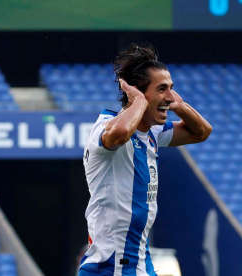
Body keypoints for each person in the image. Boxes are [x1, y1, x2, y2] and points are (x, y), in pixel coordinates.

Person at [80, 43, 212, 276]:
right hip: (111, 266)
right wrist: (139, 103)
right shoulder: (104, 127)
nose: (169, 96)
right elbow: (119, 134)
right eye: (162, 89)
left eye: (171, 88)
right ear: (137, 93)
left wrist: (179, 105)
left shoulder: (152, 132)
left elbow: (202, 132)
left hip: (140, 262)